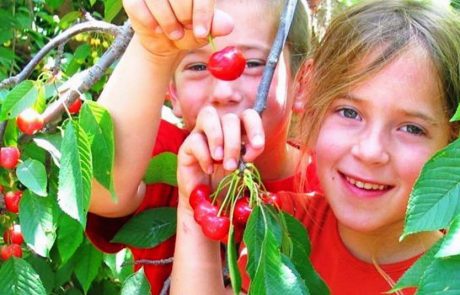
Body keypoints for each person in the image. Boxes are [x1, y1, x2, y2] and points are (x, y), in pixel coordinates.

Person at [172, 0, 460, 294]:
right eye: (349, 112)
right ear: (312, 100)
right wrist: (195, 198)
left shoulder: (449, 278)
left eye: (411, 128)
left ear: (452, 142)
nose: (371, 151)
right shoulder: (282, 226)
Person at [85, 0, 316, 293]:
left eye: (254, 63)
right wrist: (153, 49)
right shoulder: (163, 157)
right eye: (196, 66)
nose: (223, 91)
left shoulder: (335, 188)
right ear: (173, 93)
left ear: (303, 83)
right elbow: (101, 188)